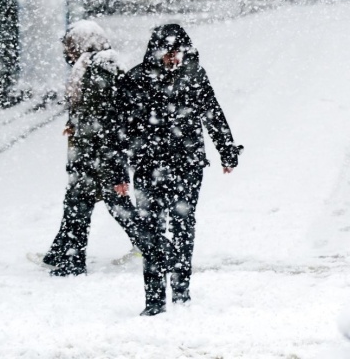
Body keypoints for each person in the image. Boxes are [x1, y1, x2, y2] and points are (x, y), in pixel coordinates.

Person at [114, 23, 242, 316]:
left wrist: (227, 150)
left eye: (178, 53)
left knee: (184, 224)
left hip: (188, 163)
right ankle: (155, 299)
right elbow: (118, 129)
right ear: (156, 52)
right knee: (150, 228)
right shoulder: (135, 79)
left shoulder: (194, 75)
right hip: (148, 166)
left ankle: (182, 292)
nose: (174, 59)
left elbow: (213, 112)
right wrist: (119, 172)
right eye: (168, 53)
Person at [42, 20, 145, 276]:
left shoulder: (98, 69)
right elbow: (91, 110)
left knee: (87, 203)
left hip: (98, 153)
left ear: (84, 43)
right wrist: (74, 123)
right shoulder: (91, 66)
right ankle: (62, 255)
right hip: (93, 151)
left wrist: (110, 157)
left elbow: (107, 116)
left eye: (70, 45)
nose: (67, 52)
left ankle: (72, 262)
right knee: (83, 203)